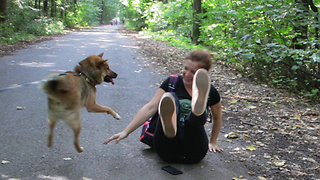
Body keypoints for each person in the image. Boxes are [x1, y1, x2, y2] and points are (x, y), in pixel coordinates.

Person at [104, 49, 223, 164]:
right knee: (170, 97)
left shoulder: (210, 91)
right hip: (167, 148)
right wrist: (126, 131)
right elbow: (151, 107)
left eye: (193, 72)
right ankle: (170, 127)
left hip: (193, 152)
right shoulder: (173, 82)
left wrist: (213, 142)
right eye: (185, 69)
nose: (187, 74)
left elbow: (217, 117)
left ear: (203, 73)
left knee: (194, 121)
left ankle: (197, 110)